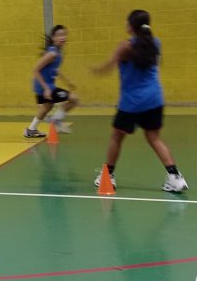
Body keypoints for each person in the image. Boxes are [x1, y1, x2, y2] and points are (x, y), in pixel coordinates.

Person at [89, 10, 188, 193]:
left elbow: (108, 66)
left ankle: (108, 175)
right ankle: (175, 177)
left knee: (117, 136)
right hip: (154, 99)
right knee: (154, 137)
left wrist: (96, 70)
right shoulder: (155, 43)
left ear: (130, 26)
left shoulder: (125, 47)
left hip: (132, 102)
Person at [24, 24, 80, 138]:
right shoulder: (52, 54)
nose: (63, 37)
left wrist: (67, 81)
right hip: (44, 86)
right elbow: (35, 70)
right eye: (59, 35)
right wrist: (46, 88)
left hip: (45, 85)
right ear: (53, 37)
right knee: (74, 99)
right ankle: (56, 120)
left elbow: (55, 69)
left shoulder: (57, 53)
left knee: (47, 107)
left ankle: (31, 130)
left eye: (64, 34)